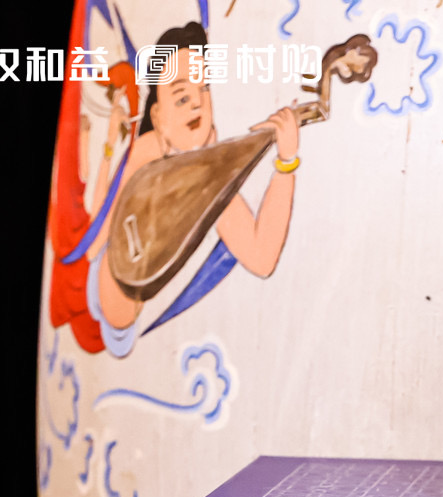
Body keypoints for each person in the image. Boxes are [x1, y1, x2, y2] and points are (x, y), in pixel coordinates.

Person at [89, 22, 300, 355]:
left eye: (203, 89)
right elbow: (95, 241)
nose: (197, 105)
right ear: (158, 116)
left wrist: (286, 163)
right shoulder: (147, 153)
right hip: (107, 293)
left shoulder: (210, 178)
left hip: (136, 325)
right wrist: (110, 148)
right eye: (182, 96)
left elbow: (261, 257)